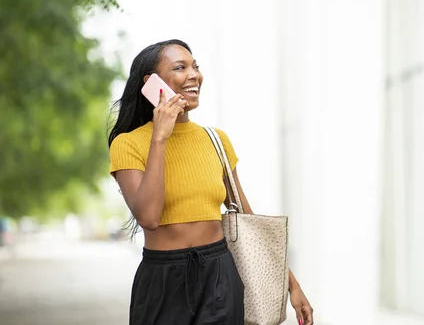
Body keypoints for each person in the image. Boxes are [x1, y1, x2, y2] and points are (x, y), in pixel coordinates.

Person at [108, 39, 314, 325]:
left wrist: (291, 284)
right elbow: (148, 216)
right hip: (163, 279)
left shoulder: (216, 140)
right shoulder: (129, 144)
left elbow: (247, 217)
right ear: (151, 83)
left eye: (195, 66)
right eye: (180, 67)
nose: (194, 75)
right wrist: (160, 138)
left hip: (220, 275)